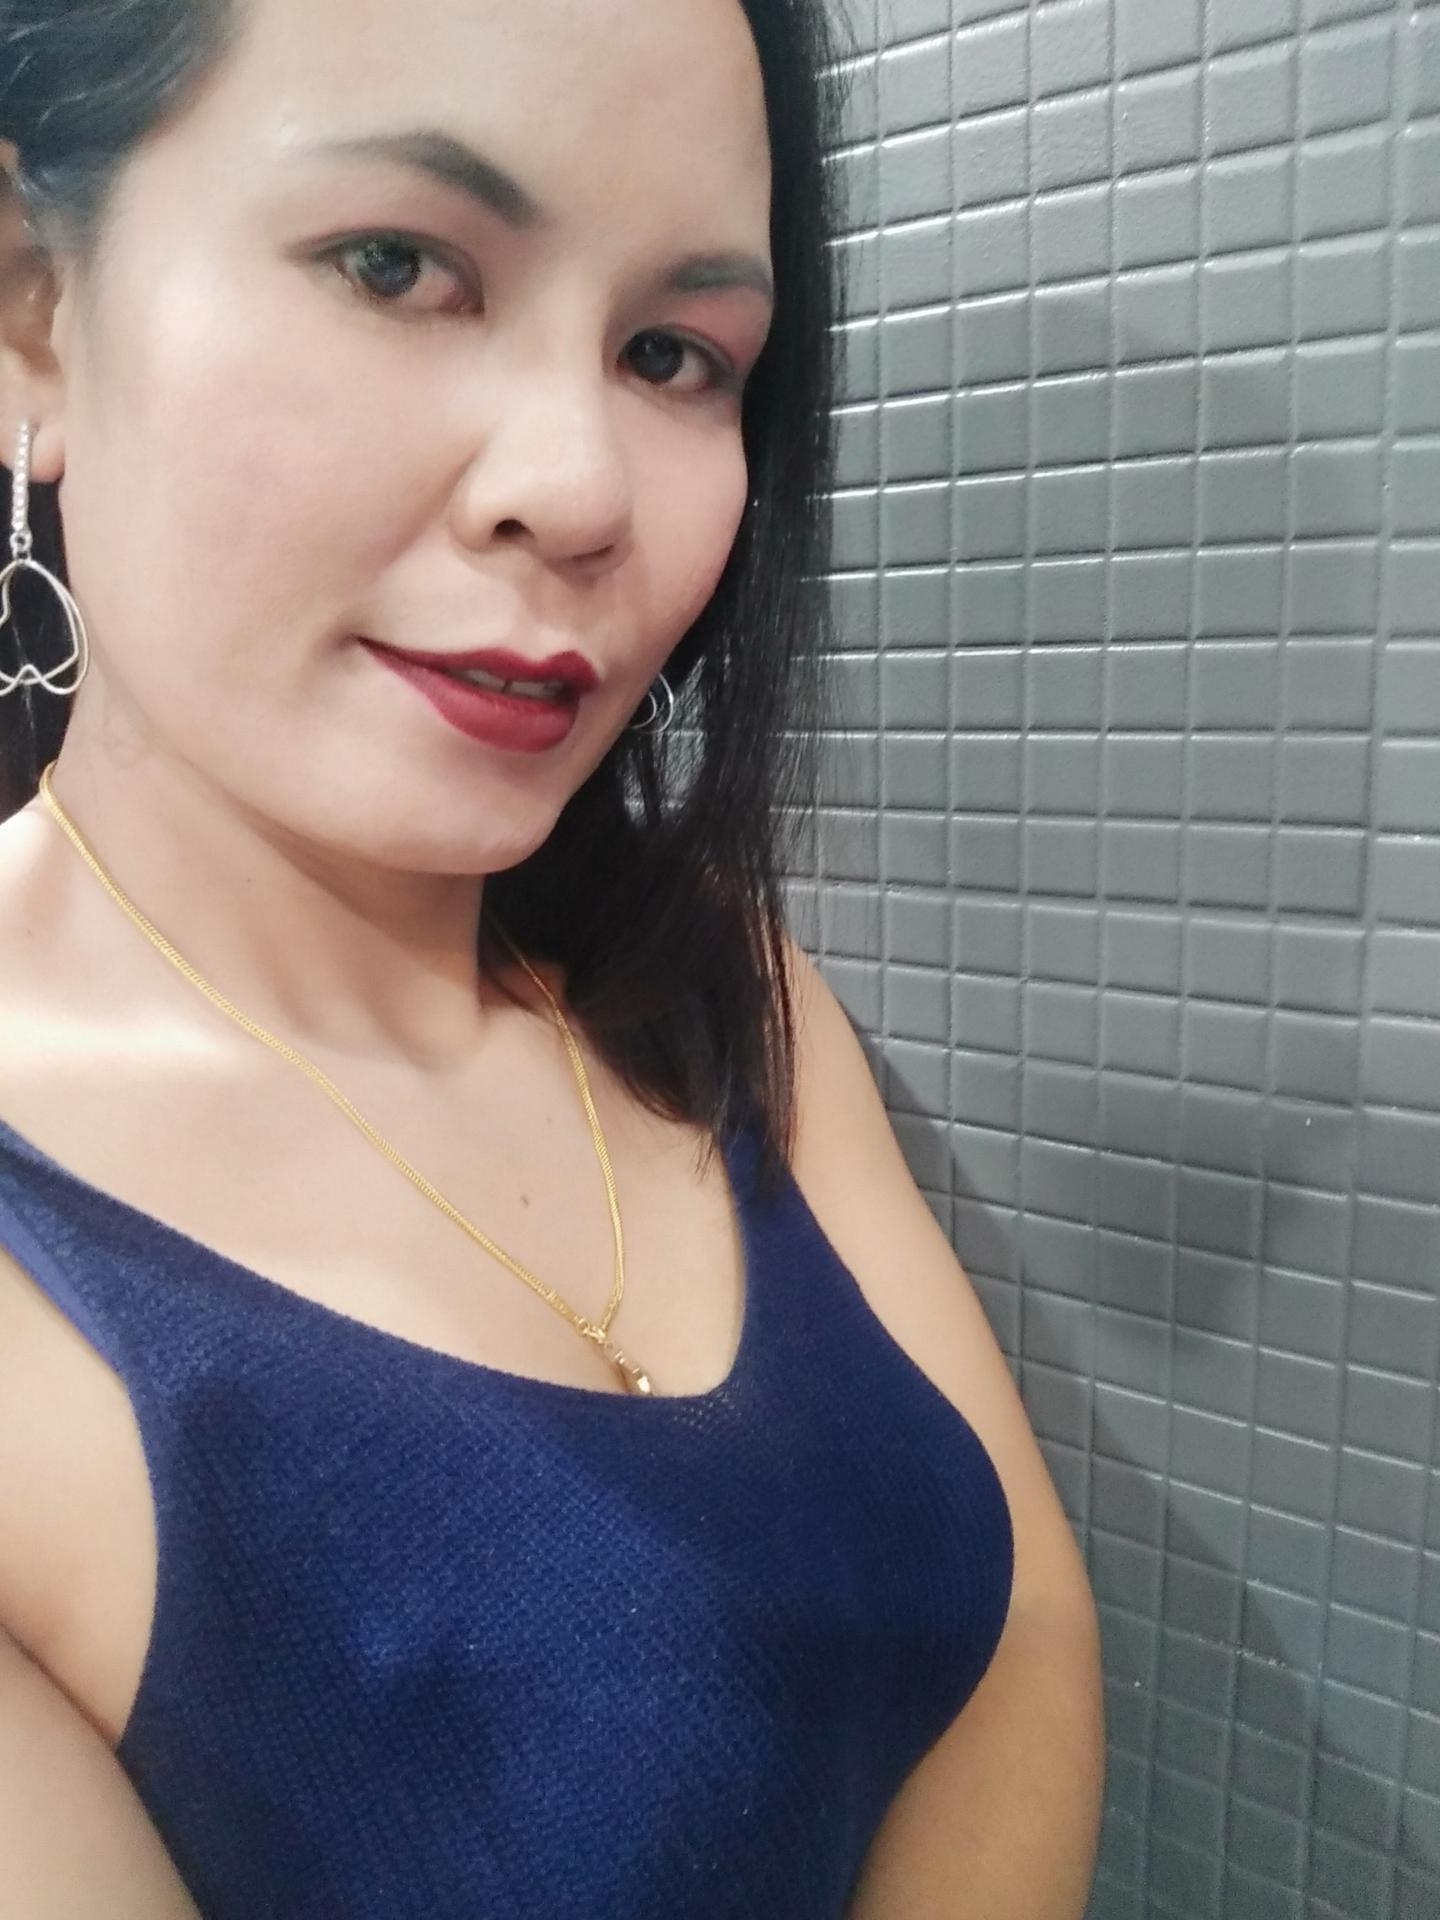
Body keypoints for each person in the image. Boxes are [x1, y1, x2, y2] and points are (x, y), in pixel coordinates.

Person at [0, 0, 1104, 1914]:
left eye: (675, 354)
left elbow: (1014, 1655)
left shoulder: (720, 990)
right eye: (397, 265)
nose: (582, 490)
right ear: (32, 312)